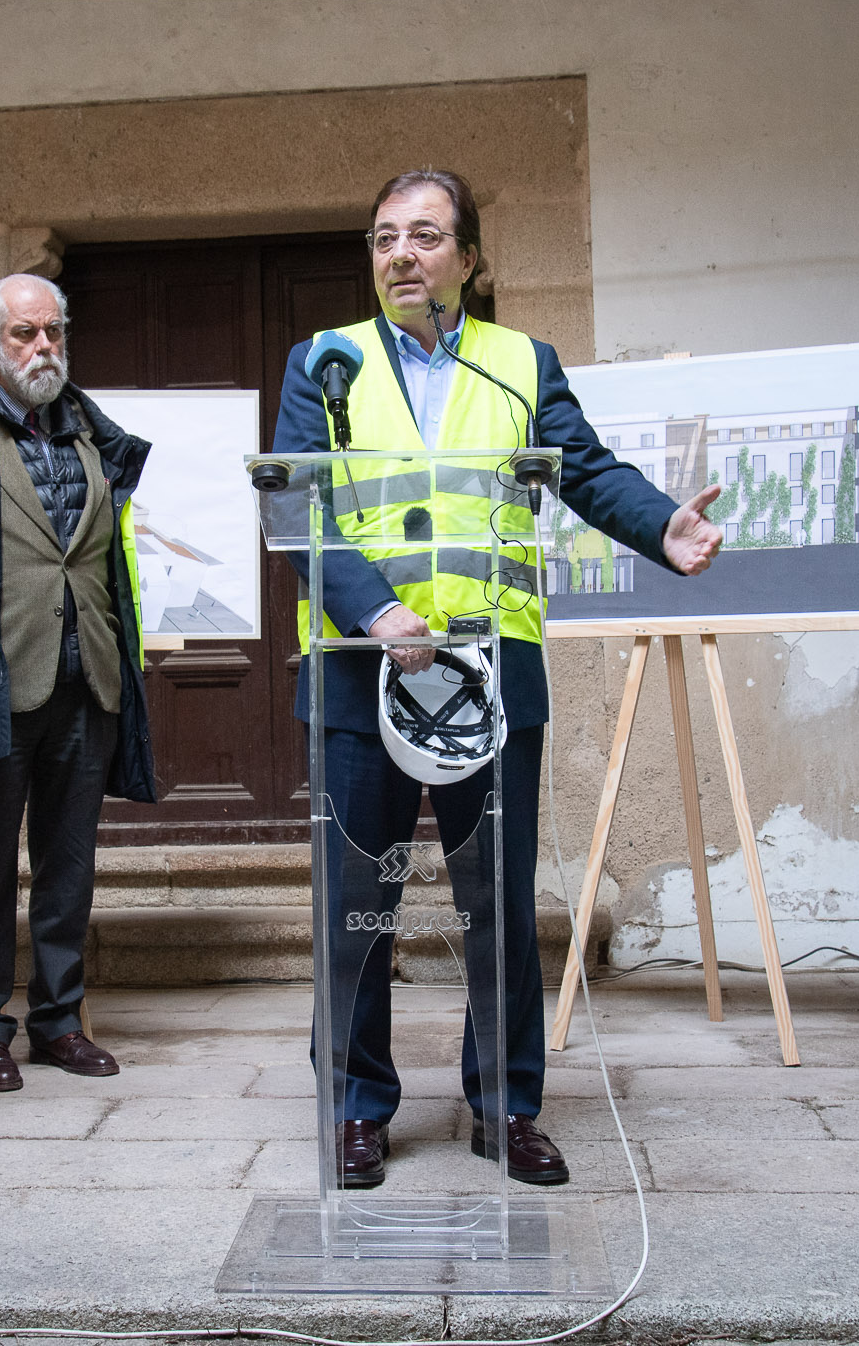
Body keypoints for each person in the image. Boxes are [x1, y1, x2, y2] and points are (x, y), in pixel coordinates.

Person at [274, 170, 723, 1187]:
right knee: (358, 909)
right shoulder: (325, 362)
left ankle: (507, 1105)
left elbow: (586, 467)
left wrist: (662, 523)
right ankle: (354, 1108)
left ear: (468, 259)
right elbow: (301, 507)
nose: (401, 254)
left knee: (500, 907)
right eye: (385, 236)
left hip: (491, 675)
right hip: (359, 675)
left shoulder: (524, 363)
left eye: (425, 236)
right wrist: (376, 608)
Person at [0, 274, 156, 1092]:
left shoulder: (92, 433)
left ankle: (58, 1021)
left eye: (53, 331)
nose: (42, 347)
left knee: (68, 864)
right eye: (23, 334)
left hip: (88, 676)